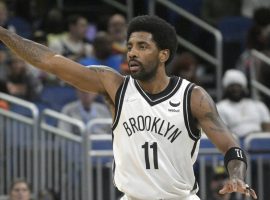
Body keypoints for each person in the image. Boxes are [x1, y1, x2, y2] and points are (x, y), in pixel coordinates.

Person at [0, 15, 257, 199]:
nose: (132, 53)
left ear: (163, 55)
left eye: (142, 47)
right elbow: (50, 62)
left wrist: (237, 175)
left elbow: (232, 147)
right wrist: (4, 34)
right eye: (130, 46)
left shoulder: (192, 96)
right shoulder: (115, 86)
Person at [217, 69, 270, 139]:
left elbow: (267, 130)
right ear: (226, 88)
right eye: (231, 86)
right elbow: (222, 134)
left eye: (238, 86)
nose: (235, 89)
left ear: (244, 87)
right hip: (235, 145)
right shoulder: (220, 107)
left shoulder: (258, 106)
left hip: (259, 144)